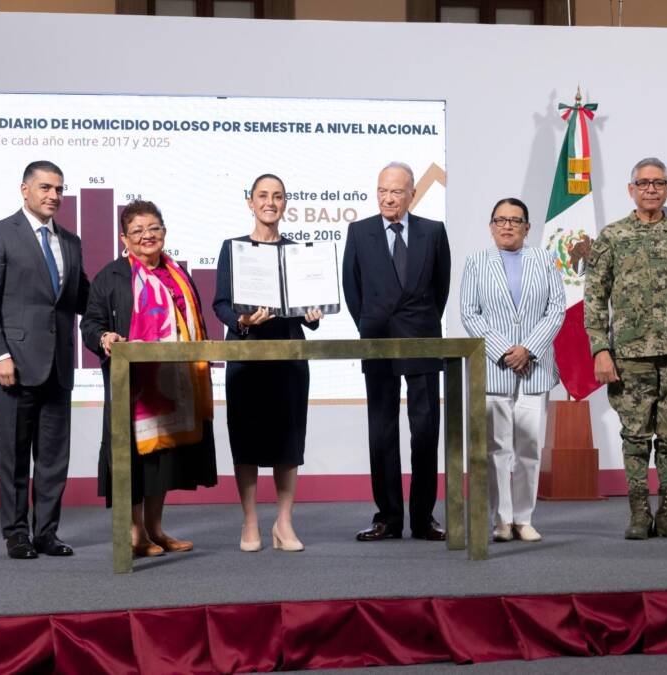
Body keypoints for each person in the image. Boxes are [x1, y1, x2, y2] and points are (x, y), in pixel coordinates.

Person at [584, 158, 667, 540]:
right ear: (631, 190)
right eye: (643, 183)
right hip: (629, 356)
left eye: (658, 183)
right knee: (635, 436)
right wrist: (600, 349)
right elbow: (594, 296)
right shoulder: (613, 236)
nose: (650, 189)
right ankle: (639, 513)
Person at [80, 200, 218, 557]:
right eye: (137, 230)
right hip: (133, 386)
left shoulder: (178, 274)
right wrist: (105, 337)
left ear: (164, 232)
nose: (147, 235)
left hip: (174, 382)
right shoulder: (111, 276)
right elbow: (91, 323)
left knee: (163, 460)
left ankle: (156, 529)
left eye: (153, 228)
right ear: (124, 238)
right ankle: (135, 533)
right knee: (134, 458)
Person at [0, 160, 89, 559]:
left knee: (54, 459)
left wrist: (124, 287)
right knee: (15, 457)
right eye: (45, 187)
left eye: (59, 189)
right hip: (13, 366)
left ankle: (47, 533)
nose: (53, 195)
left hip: (58, 366)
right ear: (25, 190)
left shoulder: (71, 241)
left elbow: (82, 297)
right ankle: (16, 533)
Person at [213, 174, 322, 552]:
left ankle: (284, 522)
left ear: (285, 203)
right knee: (245, 439)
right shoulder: (233, 248)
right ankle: (249, 521)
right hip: (246, 355)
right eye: (263, 196)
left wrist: (313, 312)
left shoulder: (299, 252)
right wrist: (241, 321)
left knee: (288, 439)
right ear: (251, 202)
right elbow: (221, 303)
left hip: (289, 356)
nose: (270, 202)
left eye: (277, 196)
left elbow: (310, 308)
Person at [343, 162, 450, 542]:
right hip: (377, 339)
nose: (388, 198)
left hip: (422, 337)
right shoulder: (359, 232)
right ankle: (387, 518)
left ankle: (423, 518)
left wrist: (420, 324)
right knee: (382, 431)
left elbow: (440, 289)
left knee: (425, 431)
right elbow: (352, 288)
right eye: (382, 190)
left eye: (396, 191)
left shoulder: (433, 232)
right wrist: (371, 325)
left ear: (411, 195)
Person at [460, 198, 565, 542]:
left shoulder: (545, 259)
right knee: (497, 449)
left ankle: (524, 518)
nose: (507, 226)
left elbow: (556, 309)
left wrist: (528, 349)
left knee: (529, 447)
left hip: (535, 369)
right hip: (495, 369)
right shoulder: (476, 263)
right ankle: (502, 520)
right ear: (491, 226)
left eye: (515, 220)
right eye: (500, 220)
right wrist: (505, 352)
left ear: (527, 227)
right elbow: (469, 313)